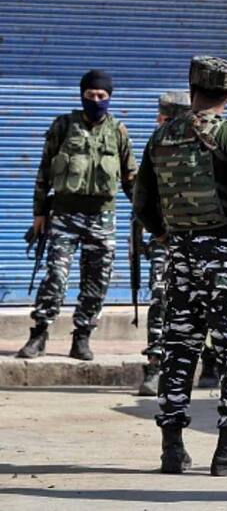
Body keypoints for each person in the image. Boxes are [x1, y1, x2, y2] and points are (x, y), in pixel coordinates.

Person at [133, 56, 227, 476]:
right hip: (224, 262)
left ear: (191, 87)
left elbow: (142, 202)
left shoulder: (161, 136)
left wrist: (167, 235)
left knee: (179, 351)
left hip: (178, 262)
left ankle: (172, 450)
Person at [17, 70, 137, 361]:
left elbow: (131, 177)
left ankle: (82, 337)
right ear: (82, 95)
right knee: (56, 277)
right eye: (90, 95)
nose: (96, 100)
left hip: (102, 218)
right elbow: (44, 172)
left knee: (97, 281)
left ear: (109, 98)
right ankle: (39, 334)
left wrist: (143, 213)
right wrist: (38, 214)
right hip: (64, 215)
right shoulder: (62, 126)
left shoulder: (118, 131)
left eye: (102, 96)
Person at [137, 91, 191, 396]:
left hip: (207, 240)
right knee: (160, 296)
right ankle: (156, 365)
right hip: (166, 238)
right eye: (161, 116)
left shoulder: (214, 143)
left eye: (168, 117)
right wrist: (155, 233)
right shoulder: (156, 146)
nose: (161, 122)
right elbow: (141, 195)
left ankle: (210, 363)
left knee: (209, 299)